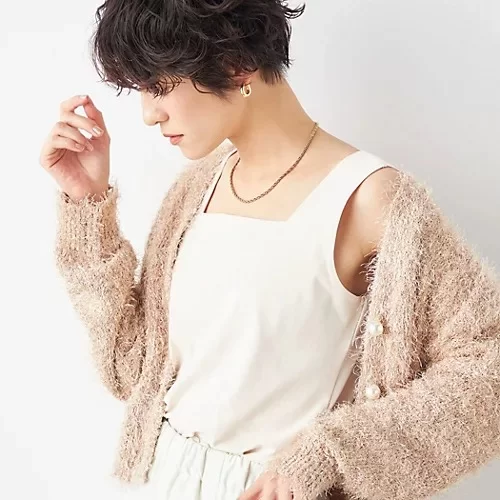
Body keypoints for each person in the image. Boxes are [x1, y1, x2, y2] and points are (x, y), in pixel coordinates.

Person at [39, 2, 500, 500]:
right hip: (161, 480)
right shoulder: (196, 189)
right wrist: (87, 203)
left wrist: (331, 453)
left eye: (160, 86)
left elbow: (488, 371)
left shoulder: (373, 199)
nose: (149, 115)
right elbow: (131, 371)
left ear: (235, 63)